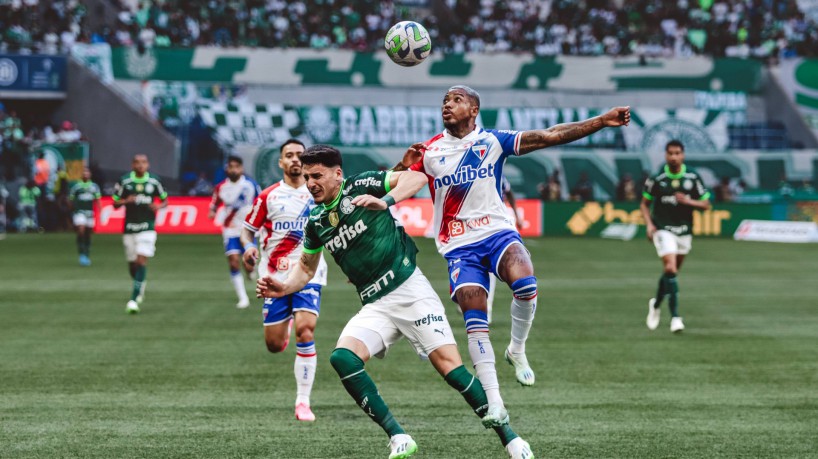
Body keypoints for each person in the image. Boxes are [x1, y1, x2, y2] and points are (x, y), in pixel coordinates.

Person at [257, 145, 534, 459]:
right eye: (307, 177)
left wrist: (384, 200)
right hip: (377, 305)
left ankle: (511, 439)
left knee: (451, 371)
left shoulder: (361, 185)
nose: (311, 183)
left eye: (317, 175)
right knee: (343, 358)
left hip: (411, 292)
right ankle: (399, 436)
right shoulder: (316, 221)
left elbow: (414, 181)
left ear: (337, 174)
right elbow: (305, 268)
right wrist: (281, 288)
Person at [395, 85, 629, 420]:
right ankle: (495, 402)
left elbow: (549, 136)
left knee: (525, 282)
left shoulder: (492, 141)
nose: (448, 104)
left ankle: (516, 349)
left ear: (474, 109)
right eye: (445, 100)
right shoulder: (430, 151)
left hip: (497, 232)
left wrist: (602, 121)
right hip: (459, 246)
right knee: (475, 321)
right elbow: (395, 183)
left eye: (457, 100)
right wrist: (402, 164)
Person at [240, 139, 329, 423]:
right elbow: (247, 231)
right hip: (274, 276)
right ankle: (285, 324)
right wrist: (248, 248)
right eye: (288, 155)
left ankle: (303, 401)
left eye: (298, 155)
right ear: (280, 162)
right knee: (274, 345)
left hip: (308, 273)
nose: (294, 159)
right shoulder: (268, 196)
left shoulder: (319, 194)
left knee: (307, 330)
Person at [640, 140, 711, 333]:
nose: (674, 156)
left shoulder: (693, 177)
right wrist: (649, 225)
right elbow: (644, 204)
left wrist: (688, 201)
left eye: (677, 153)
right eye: (670, 153)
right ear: (665, 155)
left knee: (671, 274)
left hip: (684, 231)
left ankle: (655, 304)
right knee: (670, 268)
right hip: (663, 229)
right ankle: (675, 318)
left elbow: (706, 205)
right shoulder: (657, 178)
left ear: (683, 155)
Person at [113, 154, 168, 314]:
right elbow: (115, 202)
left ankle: (133, 299)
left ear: (148, 165)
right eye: (137, 162)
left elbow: (165, 200)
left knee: (141, 260)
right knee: (133, 265)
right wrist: (125, 201)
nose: (140, 165)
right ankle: (140, 285)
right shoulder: (125, 181)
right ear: (132, 165)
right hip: (130, 228)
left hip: (147, 228)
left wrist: (158, 206)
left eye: (143, 162)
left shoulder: (154, 181)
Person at [209, 156, 260, 308]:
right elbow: (214, 203)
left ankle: (251, 271)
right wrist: (212, 211)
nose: (234, 170)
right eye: (231, 167)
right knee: (233, 262)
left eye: (237, 166)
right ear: (227, 169)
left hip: (248, 229)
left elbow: (262, 203)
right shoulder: (221, 187)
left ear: (241, 168)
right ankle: (243, 298)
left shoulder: (250, 185)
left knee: (248, 264)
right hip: (230, 229)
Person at [486, 175, 522, 324]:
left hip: (495, 224)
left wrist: (517, 216)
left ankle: (486, 310)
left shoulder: (498, 175)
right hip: (474, 224)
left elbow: (509, 193)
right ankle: (463, 298)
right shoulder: (475, 173)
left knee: (489, 271)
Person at [69, 167, 102, 266]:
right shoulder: (76, 186)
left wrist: (100, 211)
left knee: (88, 233)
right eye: (84, 172)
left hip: (90, 213)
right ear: (81, 174)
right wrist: (72, 210)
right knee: (81, 230)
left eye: (87, 172)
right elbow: (71, 199)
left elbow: (98, 200)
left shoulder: (94, 186)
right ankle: (81, 253)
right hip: (79, 212)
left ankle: (86, 253)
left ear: (90, 174)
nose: (85, 174)